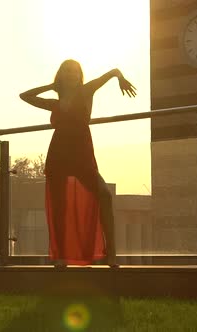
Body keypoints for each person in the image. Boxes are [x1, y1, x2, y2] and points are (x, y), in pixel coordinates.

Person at [19, 59, 136, 267]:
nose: (71, 74)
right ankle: (61, 256)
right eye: (66, 71)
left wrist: (121, 79)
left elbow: (112, 71)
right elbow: (25, 96)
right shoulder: (55, 103)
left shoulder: (86, 90)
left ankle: (112, 254)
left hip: (82, 153)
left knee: (104, 195)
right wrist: (51, 87)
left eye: (74, 71)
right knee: (59, 206)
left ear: (79, 75)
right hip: (59, 154)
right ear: (61, 76)